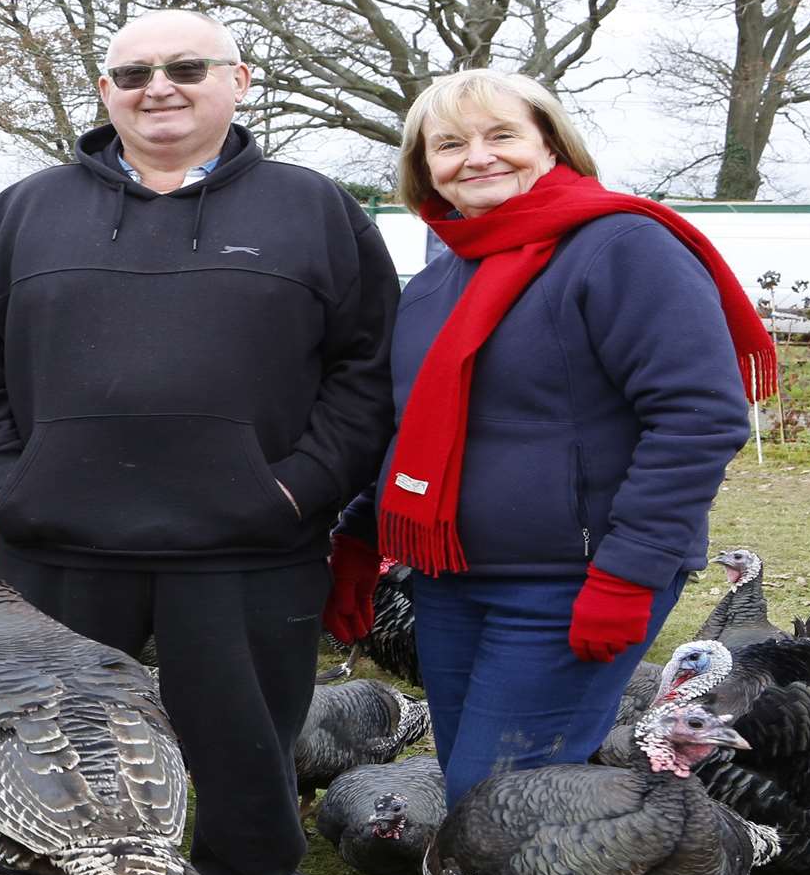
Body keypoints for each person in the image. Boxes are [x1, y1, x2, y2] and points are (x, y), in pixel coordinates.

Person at [0, 9, 399, 875]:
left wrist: (295, 488)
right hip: (59, 544)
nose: (159, 88)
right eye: (133, 73)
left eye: (186, 67)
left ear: (240, 79)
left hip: (246, 543)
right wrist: (8, 486)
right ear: (105, 92)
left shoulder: (317, 210)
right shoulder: (27, 211)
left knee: (246, 734)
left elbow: (367, 374)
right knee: (50, 737)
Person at [324, 68, 772, 818]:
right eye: (449, 144)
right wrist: (362, 540)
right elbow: (416, 430)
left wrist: (629, 573)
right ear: (423, 167)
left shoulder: (622, 246)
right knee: (479, 793)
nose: (478, 156)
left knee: (510, 807)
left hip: (571, 581)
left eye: (503, 135)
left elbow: (698, 416)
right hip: (449, 579)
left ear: (552, 144)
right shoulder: (442, 278)